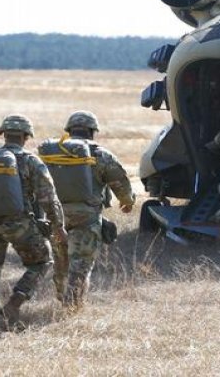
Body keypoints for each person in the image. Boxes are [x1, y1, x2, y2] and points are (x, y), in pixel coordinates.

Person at [0, 114, 66, 332]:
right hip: (18, 224)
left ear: (3, 134)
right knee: (42, 261)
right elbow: (48, 197)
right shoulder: (31, 161)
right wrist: (58, 226)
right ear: (26, 136)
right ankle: (14, 304)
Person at [43, 111, 134, 308]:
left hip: (55, 216)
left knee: (60, 262)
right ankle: (72, 306)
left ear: (69, 130)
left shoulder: (52, 152)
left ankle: (62, 298)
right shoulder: (101, 154)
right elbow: (120, 182)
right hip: (86, 218)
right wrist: (127, 201)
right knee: (81, 264)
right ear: (93, 131)